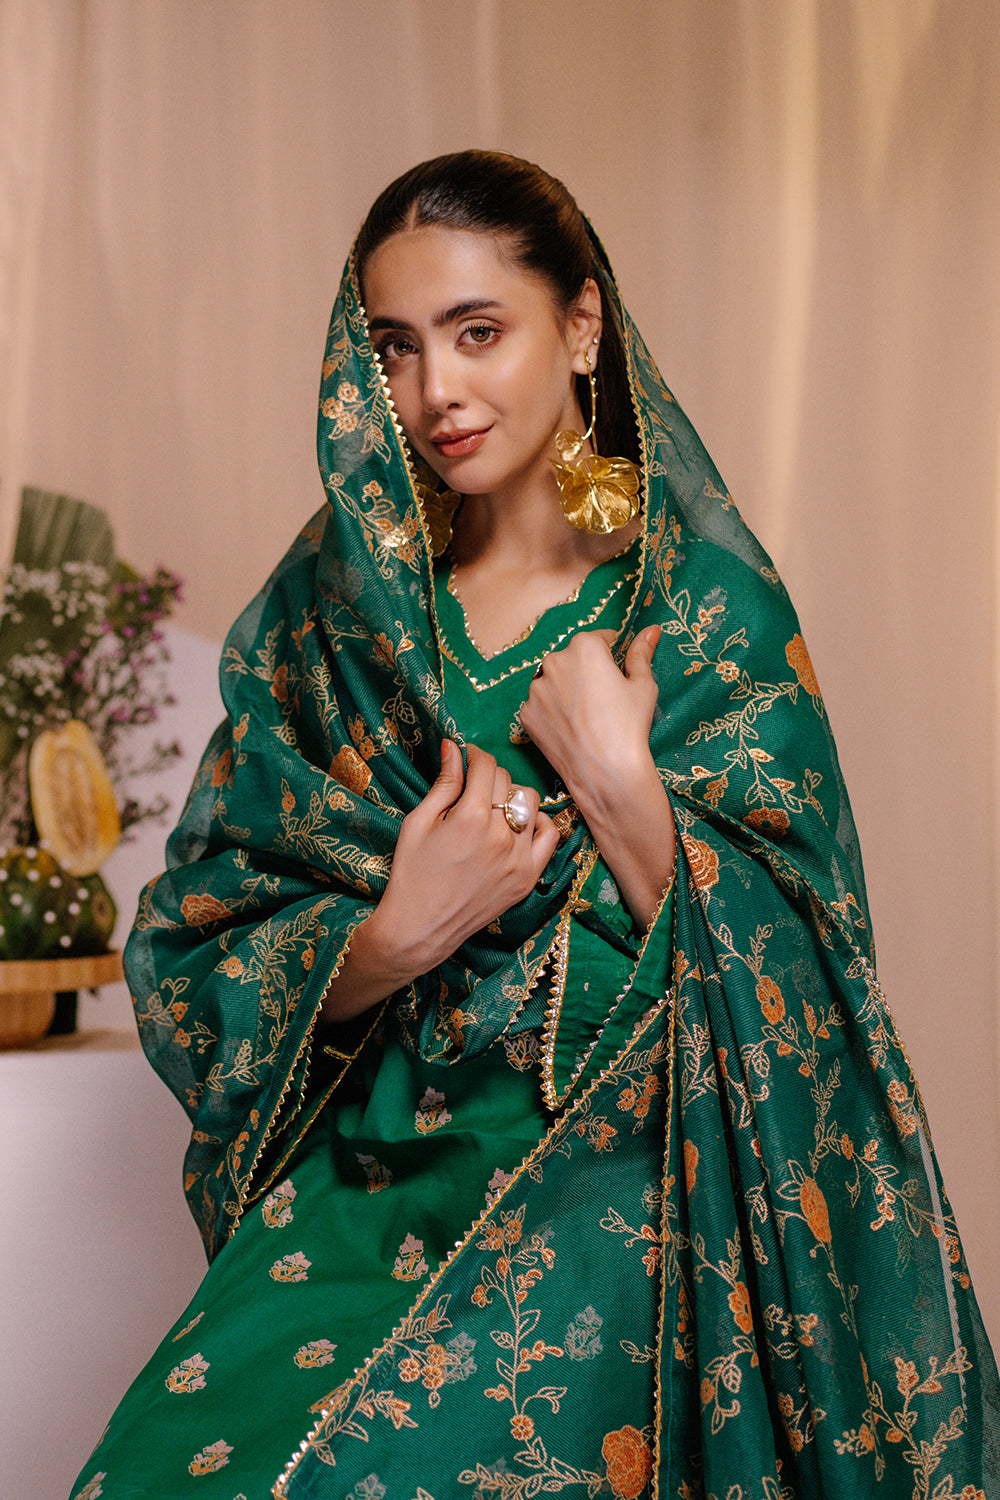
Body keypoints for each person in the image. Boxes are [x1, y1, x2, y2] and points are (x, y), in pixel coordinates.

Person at [69, 151, 998, 1500]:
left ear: (580, 327)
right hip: (366, 1189)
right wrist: (393, 935)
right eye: (396, 346)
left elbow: (818, 984)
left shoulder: (700, 612)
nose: (434, 392)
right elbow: (202, 931)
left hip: (628, 1196)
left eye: (477, 332)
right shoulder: (341, 618)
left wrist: (623, 789)